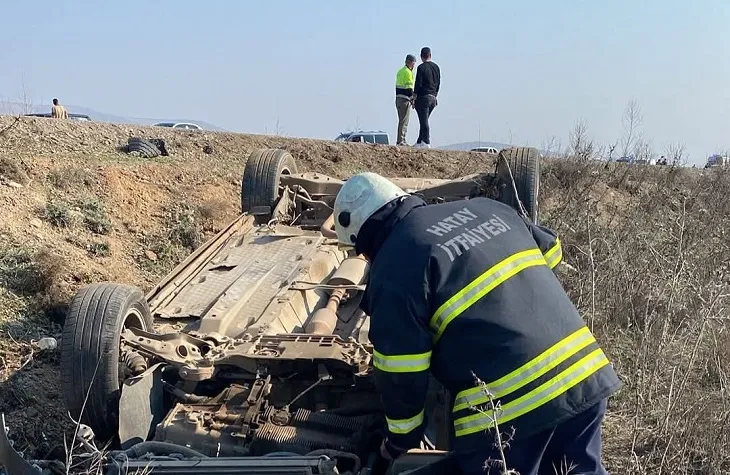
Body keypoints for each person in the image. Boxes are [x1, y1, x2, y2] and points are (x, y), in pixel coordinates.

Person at [332, 172, 622, 475]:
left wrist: (396, 442)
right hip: (582, 374)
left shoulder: (394, 264)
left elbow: (401, 369)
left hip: (512, 412)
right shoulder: (488, 208)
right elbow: (551, 252)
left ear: (365, 241)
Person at [413, 47, 440, 148]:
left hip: (423, 97)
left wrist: (414, 96)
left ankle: (426, 141)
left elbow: (418, 83)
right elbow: (438, 83)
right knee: (424, 120)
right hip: (433, 97)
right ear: (430, 55)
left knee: (424, 121)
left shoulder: (421, 68)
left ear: (421, 57)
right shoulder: (436, 67)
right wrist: (435, 95)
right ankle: (420, 141)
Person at [395, 54, 417, 146]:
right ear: (410, 62)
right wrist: (413, 99)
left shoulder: (400, 71)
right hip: (405, 100)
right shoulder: (408, 72)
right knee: (404, 121)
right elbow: (409, 89)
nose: (414, 65)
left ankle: (400, 140)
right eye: (414, 63)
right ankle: (401, 141)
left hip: (398, 99)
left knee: (401, 120)